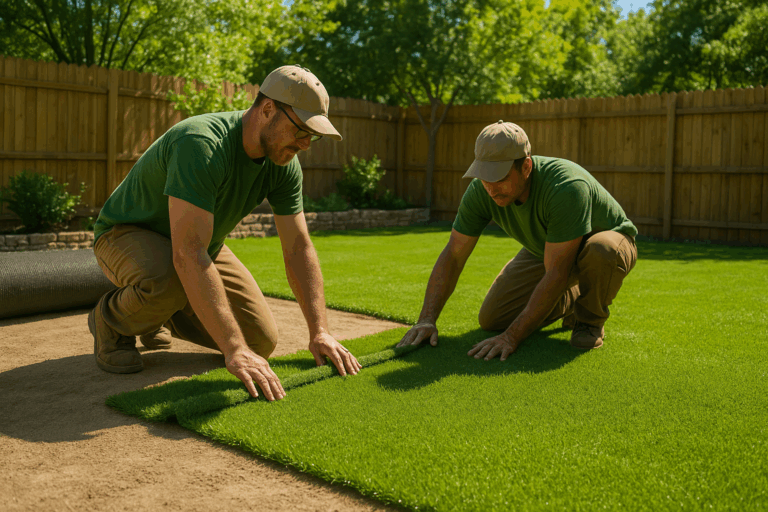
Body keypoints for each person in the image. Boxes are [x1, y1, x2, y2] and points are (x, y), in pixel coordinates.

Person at [89, 65, 361, 401]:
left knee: (260, 341)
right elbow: (188, 253)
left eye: (313, 135)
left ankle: (156, 313)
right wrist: (234, 349)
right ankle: (111, 321)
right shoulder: (202, 144)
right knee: (172, 280)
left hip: (200, 245)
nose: (305, 144)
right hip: (125, 233)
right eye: (301, 130)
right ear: (267, 109)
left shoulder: (283, 164)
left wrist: (320, 332)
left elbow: (298, 247)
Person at [397, 120, 638, 360]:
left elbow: (556, 272)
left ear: (526, 167)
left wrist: (511, 337)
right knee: (493, 318)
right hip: (546, 249)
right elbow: (454, 255)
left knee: (601, 250)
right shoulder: (480, 192)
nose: (491, 188)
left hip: (608, 243)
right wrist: (426, 320)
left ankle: (589, 320)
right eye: (484, 176)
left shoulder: (566, 186)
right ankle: (572, 297)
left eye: (499, 177)